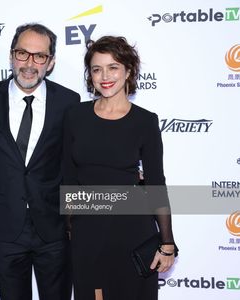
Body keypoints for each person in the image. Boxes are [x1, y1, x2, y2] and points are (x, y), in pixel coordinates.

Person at [0, 23, 80, 300]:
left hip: (54, 228)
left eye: (39, 56)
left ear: (51, 62)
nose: (30, 64)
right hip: (4, 227)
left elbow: (74, 163)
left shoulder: (69, 103)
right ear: (11, 55)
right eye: (22, 53)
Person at [62, 35, 177, 300]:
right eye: (96, 68)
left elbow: (156, 184)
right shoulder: (75, 116)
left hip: (131, 229)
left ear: (129, 71)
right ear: (89, 75)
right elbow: (67, 176)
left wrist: (167, 241)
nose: (105, 75)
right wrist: (71, 226)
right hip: (87, 229)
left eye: (113, 67)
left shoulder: (145, 121)